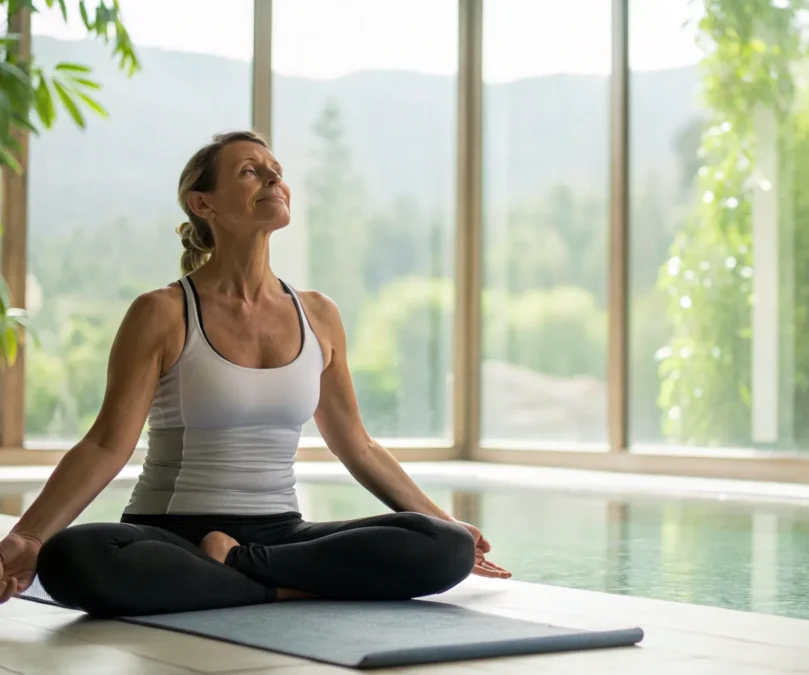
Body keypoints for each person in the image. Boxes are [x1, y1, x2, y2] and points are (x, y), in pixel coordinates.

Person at [0, 130, 510, 618]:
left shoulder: (319, 314)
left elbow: (358, 446)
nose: (273, 180)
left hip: (281, 536)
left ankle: (241, 571)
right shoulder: (163, 312)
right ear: (204, 204)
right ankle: (293, 588)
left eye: (277, 172)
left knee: (443, 547)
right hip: (171, 535)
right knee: (74, 558)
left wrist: (445, 524)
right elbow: (107, 445)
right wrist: (28, 536)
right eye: (250, 171)